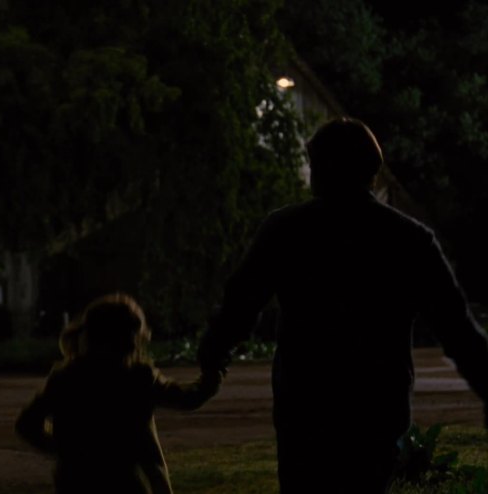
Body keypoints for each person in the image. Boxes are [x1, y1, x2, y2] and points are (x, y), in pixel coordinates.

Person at [198, 117, 488, 493]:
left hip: (305, 405)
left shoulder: (285, 230)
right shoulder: (409, 240)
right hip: (377, 409)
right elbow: (457, 329)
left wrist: (213, 353)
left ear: (323, 168)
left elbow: (241, 303)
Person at [16, 293, 221, 494]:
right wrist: (211, 378)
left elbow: (27, 424)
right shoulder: (138, 376)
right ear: (132, 337)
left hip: (75, 481)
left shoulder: (66, 377)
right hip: (127, 481)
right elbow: (187, 399)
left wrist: (64, 449)